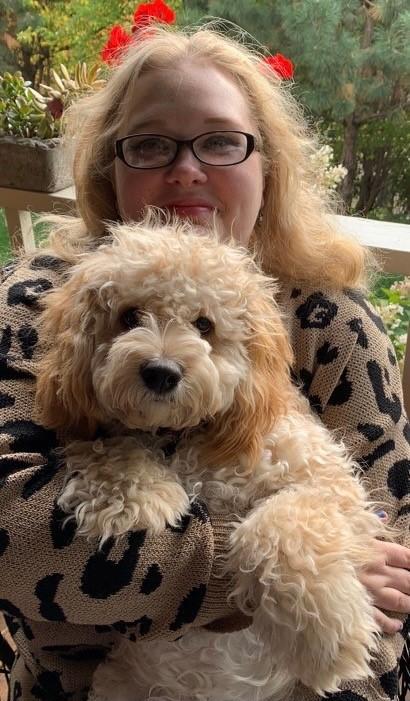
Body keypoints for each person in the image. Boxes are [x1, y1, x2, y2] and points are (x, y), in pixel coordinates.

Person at [0, 23, 408, 701]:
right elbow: (19, 541)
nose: (185, 169)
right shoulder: (34, 301)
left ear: (266, 166)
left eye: (220, 141)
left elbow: (391, 559)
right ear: (109, 169)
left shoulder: (335, 322)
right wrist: (245, 578)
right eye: (150, 144)